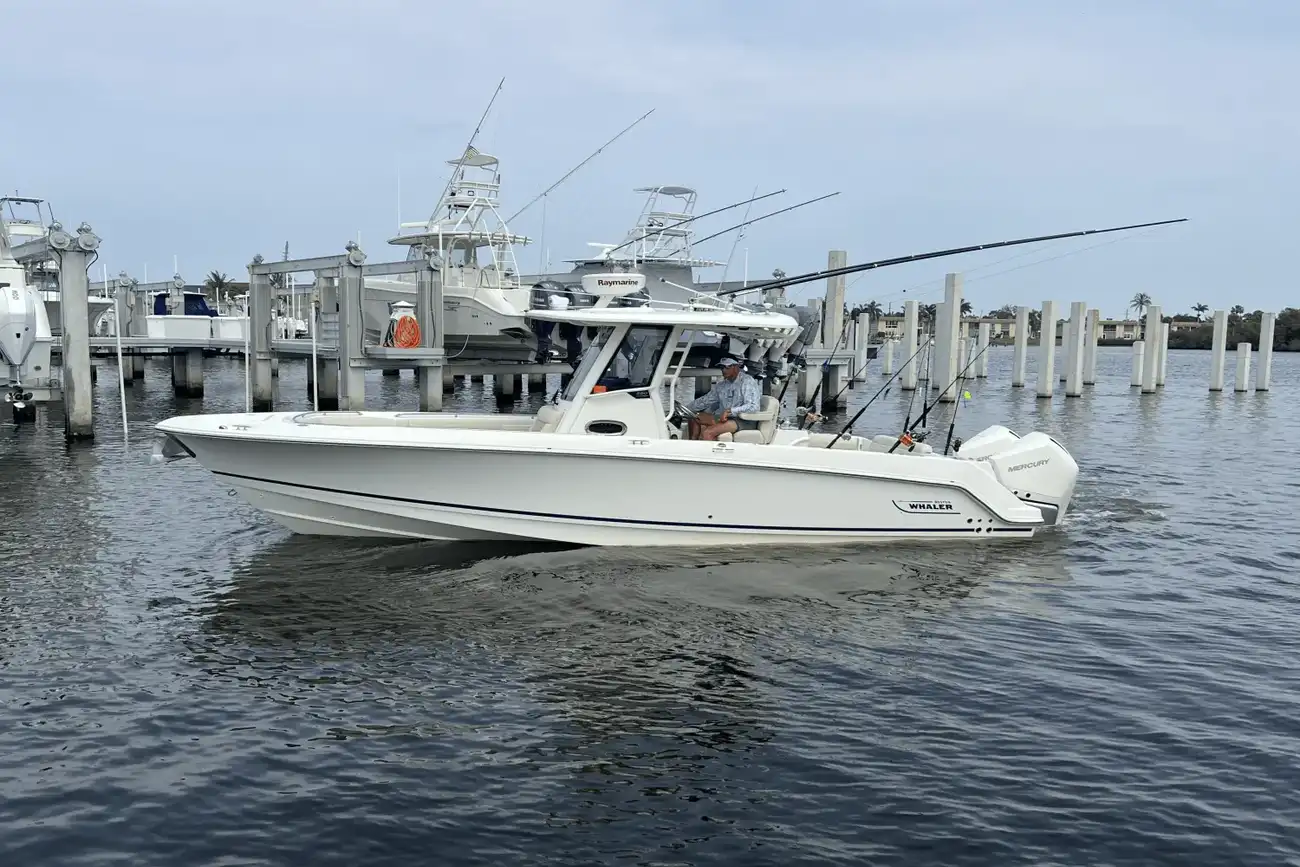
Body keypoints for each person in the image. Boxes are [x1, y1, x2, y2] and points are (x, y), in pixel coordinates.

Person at [686, 357, 762, 441]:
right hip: (724, 417)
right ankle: (692, 446)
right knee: (695, 418)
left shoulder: (747, 381)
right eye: (722, 367)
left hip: (744, 420)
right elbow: (705, 401)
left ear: (736, 367)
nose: (724, 370)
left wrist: (730, 411)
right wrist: (686, 409)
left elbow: (753, 406)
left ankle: (709, 452)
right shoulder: (721, 385)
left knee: (708, 432)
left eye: (727, 367)